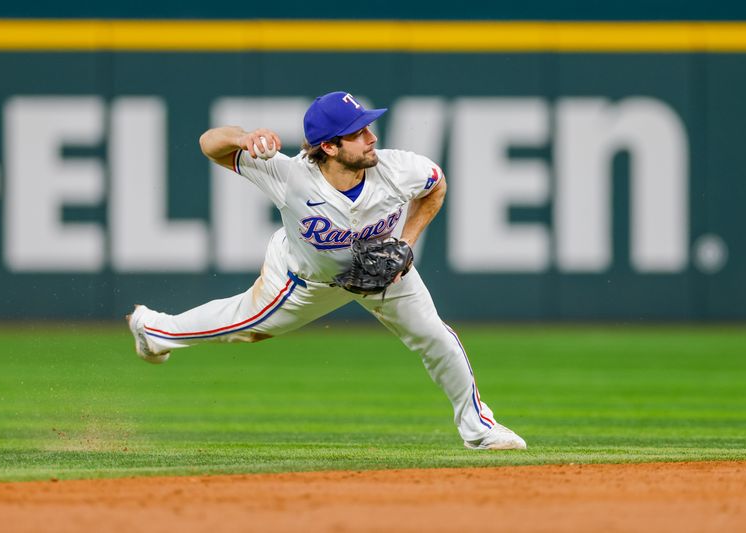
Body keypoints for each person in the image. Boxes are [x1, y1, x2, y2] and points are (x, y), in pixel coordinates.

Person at [126, 91, 526, 450]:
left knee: (435, 336)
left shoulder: (399, 169)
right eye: (358, 132)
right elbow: (208, 144)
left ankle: (480, 428)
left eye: (368, 127)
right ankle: (154, 330)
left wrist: (405, 243)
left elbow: (435, 186)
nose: (371, 137)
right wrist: (241, 137)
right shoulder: (290, 176)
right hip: (305, 280)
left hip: (385, 271)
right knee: (244, 327)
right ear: (330, 147)